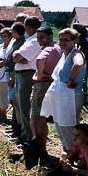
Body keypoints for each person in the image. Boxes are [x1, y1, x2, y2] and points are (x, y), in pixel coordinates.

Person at [40, 28, 87, 153]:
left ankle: (73, 153)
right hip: (61, 94)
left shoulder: (76, 53)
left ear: (75, 41)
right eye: (61, 40)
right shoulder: (64, 54)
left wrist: (71, 79)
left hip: (70, 96)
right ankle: (67, 151)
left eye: (66, 40)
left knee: (68, 125)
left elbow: (78, 64)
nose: (62, 42)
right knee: (59, 123)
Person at [25, 27, 61, 167]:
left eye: (42, 37)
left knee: (35, 117)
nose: (39, 40)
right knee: (42, 117)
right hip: (51, 84)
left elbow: (40, 59)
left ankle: (40, 148)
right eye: (38, 37)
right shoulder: (57, 48)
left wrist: (40, 74)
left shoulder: (48, 49)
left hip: (42, 84)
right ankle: (41, 147)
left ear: (50, 37)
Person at [12, 16, 41, 147]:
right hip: (21, 73)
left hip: (27, 74)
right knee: (21, 105)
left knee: (25, 106)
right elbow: (18, 57)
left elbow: (18, 57)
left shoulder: (34, 41)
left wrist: (18, 56)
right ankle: (24, 134)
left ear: (29, 27)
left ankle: (28, 137)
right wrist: (18, 57)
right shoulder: (30, 40)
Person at [5, 22, 26, 140]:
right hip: (11, 72)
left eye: (12, 30)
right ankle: (16, 126)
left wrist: (12, 76)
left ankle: (19, 127)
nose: (11, 32)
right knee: (13, 102)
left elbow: (18, 60)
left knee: (16, 102)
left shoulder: (22, 42)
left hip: (15, 73)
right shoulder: (16, 41)